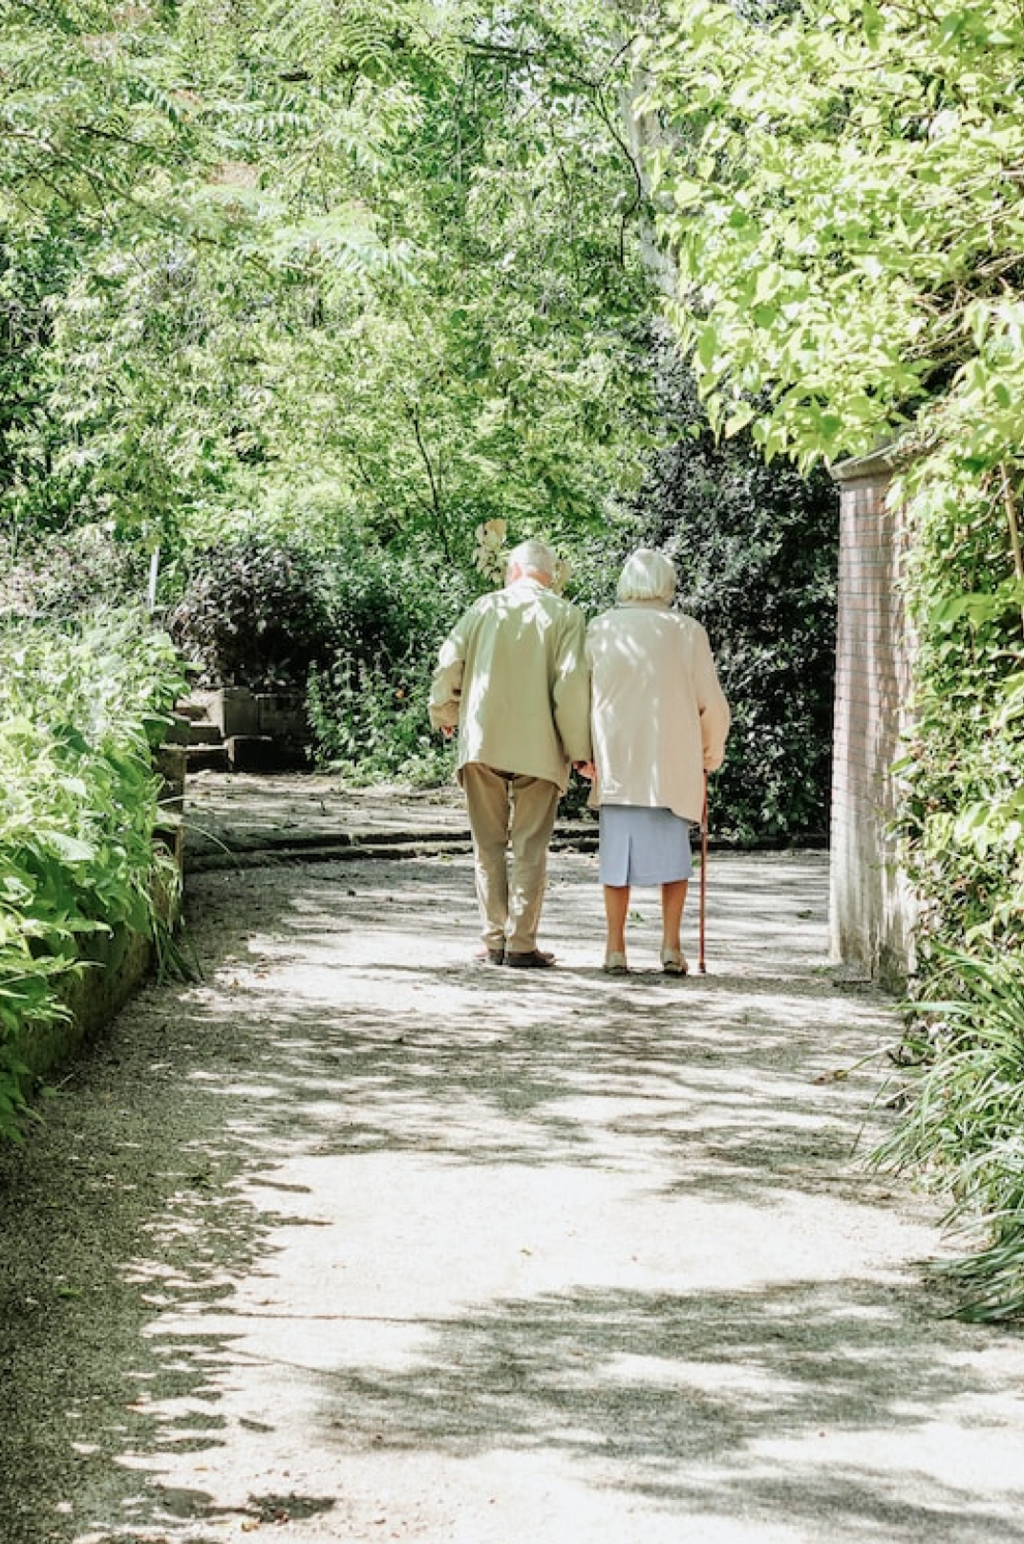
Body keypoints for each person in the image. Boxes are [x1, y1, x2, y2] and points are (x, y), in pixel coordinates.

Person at [428, 538, 592, 968]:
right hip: (540, 747)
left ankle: (494, 938)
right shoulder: (567, 616)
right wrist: (580, 750)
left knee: (488, 845)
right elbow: (571, 686)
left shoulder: (483, 608)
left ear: (514, 571)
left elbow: (448, 663)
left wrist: (445, 711)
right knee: (530, 847)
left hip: (483, 742)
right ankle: (521, 943)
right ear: (550, 575)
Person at [584, 548, 730, 976]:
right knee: (674, 859)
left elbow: (580, 695)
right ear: (667, 584)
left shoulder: (600, 628)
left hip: (617, 760)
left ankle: (615, 948)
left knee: (616, 860)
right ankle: (670, 946)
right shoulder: (686, 631)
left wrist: (582, 752)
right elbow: (711, 703)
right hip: (672, 761)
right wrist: (710, 752)